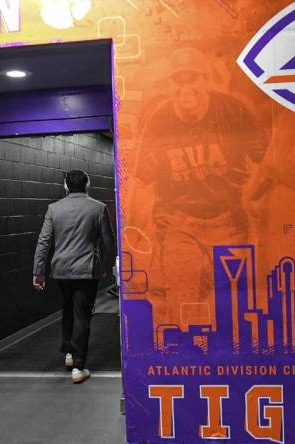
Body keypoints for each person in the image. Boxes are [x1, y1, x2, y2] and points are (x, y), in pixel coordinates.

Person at [133, 47, 268, 332]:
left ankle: (231, 367)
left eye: (192, 77)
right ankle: (190, 362)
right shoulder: (158, 121)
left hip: (229, 221)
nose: (186, 86)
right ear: (170, 86)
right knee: (184, 308)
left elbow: (264, 160)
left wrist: (256, 204)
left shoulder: (231, 110)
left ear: (205, 80)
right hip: (179, 223)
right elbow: (142, 176)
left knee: (233, 309)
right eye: (178, 79)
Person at [33, 169, 116, 383]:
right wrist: (107, 266)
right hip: (87, 270)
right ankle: (79, 366)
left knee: (68, 308)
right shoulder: (98, 208)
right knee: (82, 313)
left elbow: (44, 241)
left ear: (65, 186)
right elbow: (108, 240)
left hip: (61, 269)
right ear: (88, 185)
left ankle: (69, 353)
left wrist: (38, 271)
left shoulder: (54, 209)